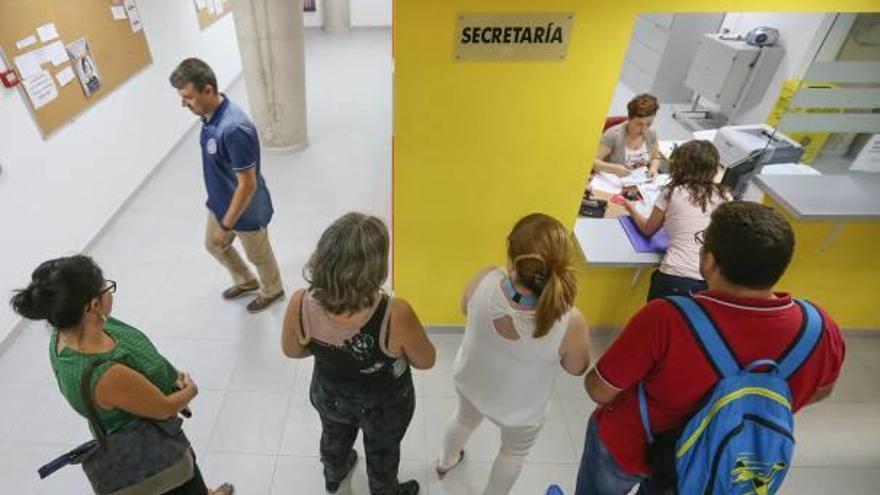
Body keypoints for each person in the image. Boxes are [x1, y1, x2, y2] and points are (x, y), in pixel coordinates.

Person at [574, 201, 846, 495]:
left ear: (708, 261)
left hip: (632, 448)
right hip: (710, 465)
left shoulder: (665, 318)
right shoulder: (819, 328)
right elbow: (822, 390)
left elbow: (598, 390)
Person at [10, 255, 233, 495]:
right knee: (184, 482)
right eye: (106, 287)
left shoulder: (69, 333)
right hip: (150, 448)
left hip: (139, 423)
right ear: (93, 306)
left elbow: (138, 357)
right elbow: (164, 408)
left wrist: (171, 375)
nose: (110, 291)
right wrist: (190, 391)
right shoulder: (105, 374)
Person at [281, 213, 436, 495]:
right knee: (382, 451)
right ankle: (383, 489)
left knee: (333, 436)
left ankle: (334, 472)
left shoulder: (300, 302)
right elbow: (426, 361)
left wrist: (332, 348)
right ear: (377, 268)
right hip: (385, 406)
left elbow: (292, 350)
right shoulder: (394, 313)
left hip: (330, 396)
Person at [437, 213, 591, 495]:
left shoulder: (484, 277)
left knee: (463, 419)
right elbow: (576, 367)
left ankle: (445, 462)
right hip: (521, 410)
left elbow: (464, 307)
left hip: (472, 382)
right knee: (512, 455)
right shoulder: (570, 320)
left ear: (512, 262)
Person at [169, 58, 284, 313]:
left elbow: (247, 184)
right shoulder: (209, 117)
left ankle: (273, 289)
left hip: (246, 209)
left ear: (208, 90)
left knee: (259, 255)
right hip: (221, 201)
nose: (183, 103)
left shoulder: (233, 129)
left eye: (187, 97)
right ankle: (246, 280)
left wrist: (226, 225)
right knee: (213, 244)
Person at [623, 140, 730, 301]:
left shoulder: (672, 192)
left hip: (675, 276)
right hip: (710, 280)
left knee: (657, 324)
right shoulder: (725, 197)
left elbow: (648, 229)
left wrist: (630, 207)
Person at [593, 94, 662, 178]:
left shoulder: (651, 133)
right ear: (629, 118)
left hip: (639, 183)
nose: (644, 129)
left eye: (648, 124)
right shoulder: (613, 135)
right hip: (614, 184)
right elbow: (592, 162)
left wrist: (653, 168)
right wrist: (613, 169)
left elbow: (655, 157)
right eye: (639, 124)